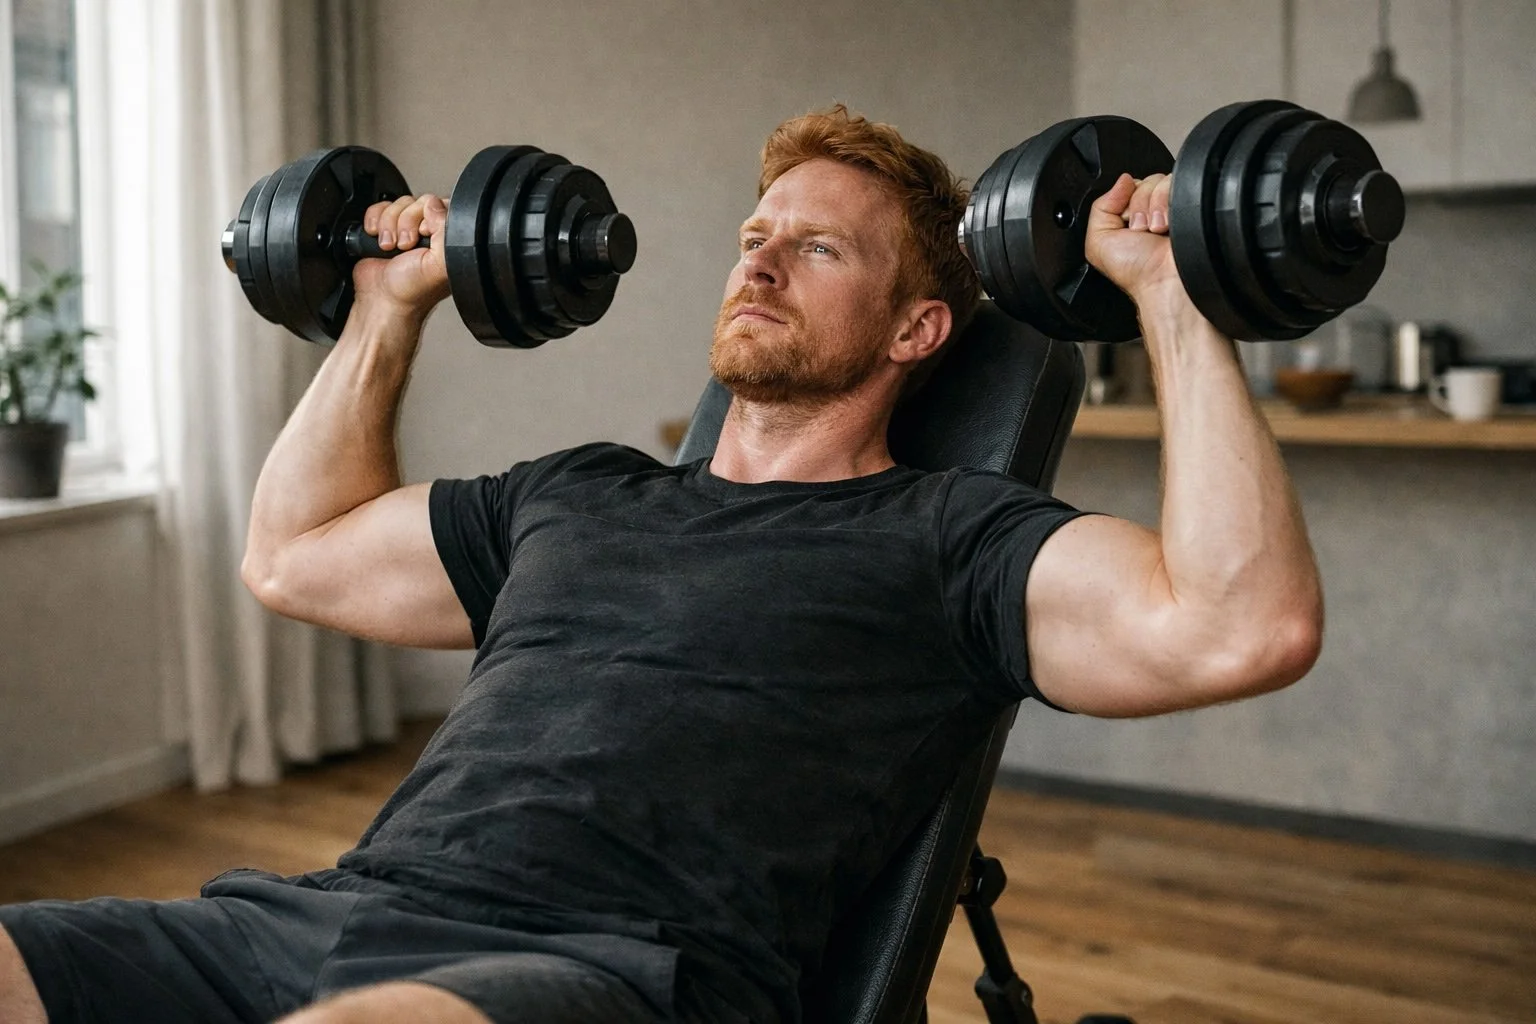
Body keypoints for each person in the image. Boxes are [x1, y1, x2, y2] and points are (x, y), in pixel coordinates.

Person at [0, 106, 1323, 1024]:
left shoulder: (948, 537)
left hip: (612, 972)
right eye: (756, 235)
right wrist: (386, 311)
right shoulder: (579, 494)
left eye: (817, 247)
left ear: (919, 324)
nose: (760, 260)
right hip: (322, 918)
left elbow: (1238, 626)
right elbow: (291, 557)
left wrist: (1173, 300)